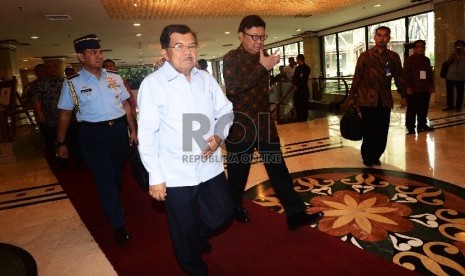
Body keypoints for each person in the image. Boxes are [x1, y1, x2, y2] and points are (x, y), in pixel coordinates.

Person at [137, 24, 233, 275]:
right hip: (176, 172)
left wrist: (219, 135)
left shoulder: (206, 78)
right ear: (165, 52)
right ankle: (193, 266)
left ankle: (193, 236)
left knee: (223, 213)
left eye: (192, 46)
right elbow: (147, 134)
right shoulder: (153, 84)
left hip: (209, 166)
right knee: (184, 225)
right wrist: (155, 177)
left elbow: (226, 111)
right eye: (179, 46)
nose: (187, 52)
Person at [223, 14, 323, 230]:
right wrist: (262, 67)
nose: (258, 42)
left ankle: (295, 214)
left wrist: (266, 69)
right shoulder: (231, 58)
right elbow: (233, 88)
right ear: (241, 35)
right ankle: (234, 207)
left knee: (278, 169)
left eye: (262, 37)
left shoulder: (263, 55)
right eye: (253, 37)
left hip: (264, 124)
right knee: (238, 174)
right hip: (240, 126)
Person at [56, 34, 137, 242]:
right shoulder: (72, 84)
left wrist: (133, 130)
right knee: (106, 180)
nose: (99, 56)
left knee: (118, 176)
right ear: (81, 57)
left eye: (100, 52)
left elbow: (127, 105)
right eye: (93, 52)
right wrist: (61, 142)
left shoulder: (114, 77)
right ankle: (118, 225)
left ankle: (113, 206)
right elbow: (65, 113)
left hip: (118, 132)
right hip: (92, 135)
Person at [348, 26, 406, 167]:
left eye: (385, 35)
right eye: (379, 35)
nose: (382, 38)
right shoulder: (365, 56)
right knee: (369, 130)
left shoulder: (393, 57)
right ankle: (367, 156)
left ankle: (376, 155)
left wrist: (403, 95)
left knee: (382, 130)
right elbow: (357, 77)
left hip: (384, 100)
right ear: (374, 37)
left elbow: (399, 77)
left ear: (389, 38)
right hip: (367, 99)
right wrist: (352, 96)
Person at [403, 40, 434, 135]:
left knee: (423, 109)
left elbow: (429, 74)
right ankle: (411, 127)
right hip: (413, 89)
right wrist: (408, 87)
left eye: (422, 47)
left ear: (424, 48)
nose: (420, 48)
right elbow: (405, 75)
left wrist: (431, 86)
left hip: (424, 89)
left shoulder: (426, 60)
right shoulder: (409, 60)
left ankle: (422, 125)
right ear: (414, 48)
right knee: (412, 110)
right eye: (418, 47)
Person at [442, 40, 465, 112]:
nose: (459, 47)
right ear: (454, 47)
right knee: (449, 93)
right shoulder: (451, 54)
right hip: (450, 77)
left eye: (461, 46)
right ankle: (450, 106)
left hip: (461, 78)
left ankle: (458, 107)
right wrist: (451, 57)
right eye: (457, 46)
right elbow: (446, 63)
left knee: (460, 93)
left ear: (464, 47)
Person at [291, 54, 311, 121]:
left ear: (300, 59)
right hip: (297, 90)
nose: (296, 61)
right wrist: (294, 85)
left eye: (297, 59)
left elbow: (303, 79)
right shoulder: (297, 68)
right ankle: (298, 117)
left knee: (304, 105)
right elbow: (294, 77)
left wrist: (297, 85)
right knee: (297, 104)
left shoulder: (307, 68)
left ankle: (304, 118)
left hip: (303, 90)